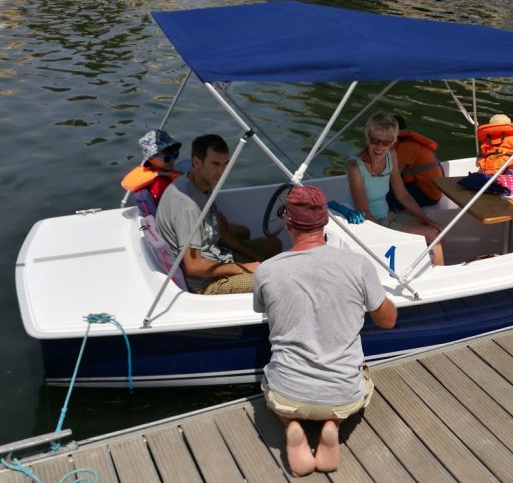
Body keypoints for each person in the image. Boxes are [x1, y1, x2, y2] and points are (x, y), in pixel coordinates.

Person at [254, 185, 397, 477]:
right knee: (359, 382)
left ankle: (292, 425)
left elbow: (263, 309)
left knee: (272, 386)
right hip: (342, 393)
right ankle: (333, 424)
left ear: (287, 222)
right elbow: (387, 320)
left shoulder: (266, 271)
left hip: (288, 393)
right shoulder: (357, 265)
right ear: (326, 221)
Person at [156, 134, 281, 294]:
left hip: (218, 255)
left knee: (273, 244)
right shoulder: (188, 207)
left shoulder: (203, 184)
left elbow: (219, 232)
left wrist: (256, 256)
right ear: (196, 163)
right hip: (206, 283)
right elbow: (193, 266)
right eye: (215, 164)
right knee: (274, 277)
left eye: (225, 164)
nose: (222, 171)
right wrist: (242, 268)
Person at [346, 112, 444, 266]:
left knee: (438, 229)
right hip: (371, 223)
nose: (380, 147)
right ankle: (437, 276)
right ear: (367, 138)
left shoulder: (391, 155)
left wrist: (424, 218)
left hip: (387, 216)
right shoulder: (355, 167)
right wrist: (389, 235)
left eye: (386, 142)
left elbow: (402, 194)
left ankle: (429, 273)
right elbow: (364, 212)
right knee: (433, 235)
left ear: (393, 142)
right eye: (375, 141)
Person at [386, 115, 444, 211]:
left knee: (383, 197)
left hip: (428, 195)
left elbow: (394, 176)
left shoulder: (406, 147)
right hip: (430, 189)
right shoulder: (409, 142)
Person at [121, 129, 182, 208]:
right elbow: (126, 183)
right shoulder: (159, 183)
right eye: (167, 157)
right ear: (151, 158)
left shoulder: (170, 172)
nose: (173, 159)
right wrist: (157, 174)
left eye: (175, 154)